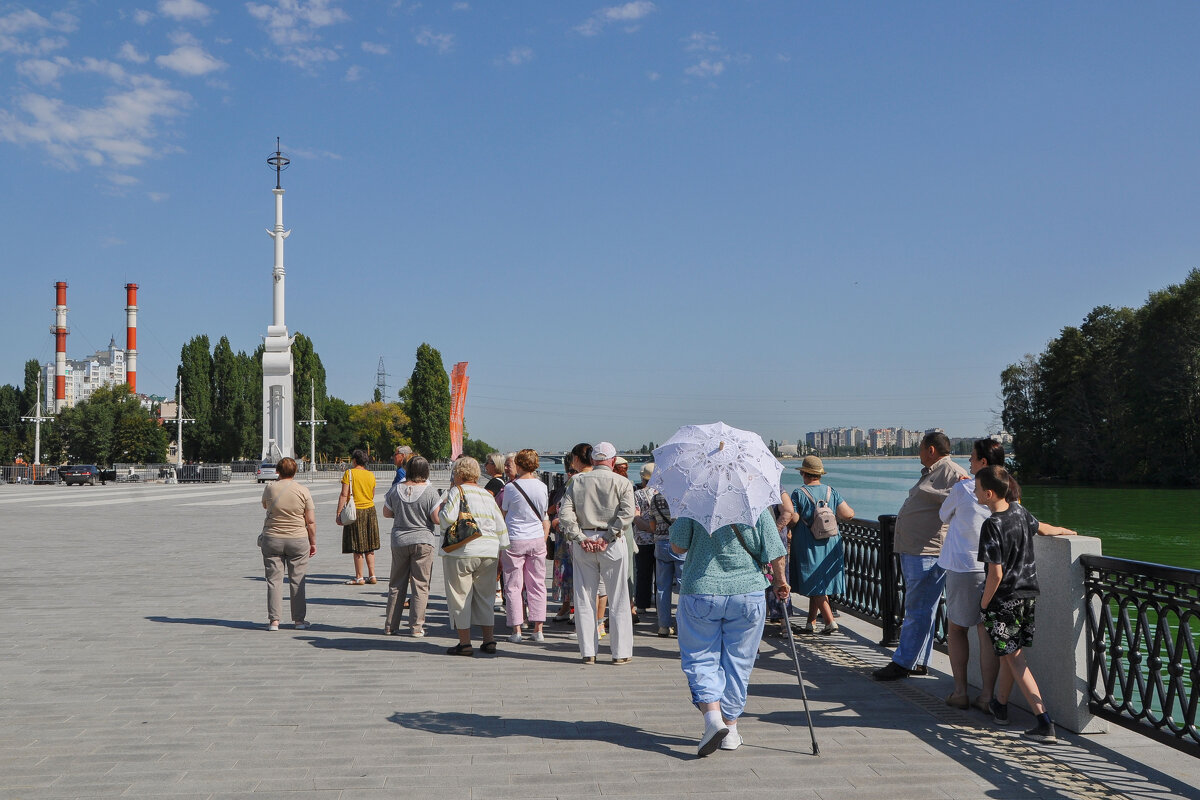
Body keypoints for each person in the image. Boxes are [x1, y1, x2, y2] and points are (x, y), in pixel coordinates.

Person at [671, 507, 789, 755]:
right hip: (748, 592)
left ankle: (713, 718)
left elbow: (677, 546)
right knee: (739, 661)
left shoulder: (696, 501)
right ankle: (731, 730)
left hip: (701, 589)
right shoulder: (755, 505)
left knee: (700, 657)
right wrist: (780, 581)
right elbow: (776, 550)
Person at [873, 432, 967, 681]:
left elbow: (968, 502)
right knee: (923, 609)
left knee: (917, 610)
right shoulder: (933, 471)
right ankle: (918, 661)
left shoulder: (952, 472)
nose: (919, 452)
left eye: (921, 448)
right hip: (916, 549)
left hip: (928, 552)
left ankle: (902, 663)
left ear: (931, 450)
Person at [975, 465, 1058, 742]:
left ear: (988, 494)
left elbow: (995, 574)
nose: (974, 492)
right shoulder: (1020, 511)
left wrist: (984, 605)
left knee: (1015, 658)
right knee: (1010, 653)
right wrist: (1065, 531)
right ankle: (1000, 706)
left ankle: (1044, 721)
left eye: (977, 489)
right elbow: (1042, 528)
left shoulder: (991, 525)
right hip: (1026, 596)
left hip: (1004, 600)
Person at [558, 441, 636, 664]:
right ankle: (620, 653)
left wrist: (580, 537)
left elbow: (565, 514)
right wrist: (608, 536)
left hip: (584, 540)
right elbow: (627, 514)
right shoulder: (623, 482)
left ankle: (588, 652)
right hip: (611, 542)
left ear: (593, 459)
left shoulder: (577, 481)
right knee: (618, 597)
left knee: (584, 597)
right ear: (613, 461)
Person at [436, 456, 510, 656]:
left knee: (460, 596)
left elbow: (447, 518)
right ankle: (489, 640)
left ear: (459, 473)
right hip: (489, 551)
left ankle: (465, 643)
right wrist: (502, 549)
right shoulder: (487, 494)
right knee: (486, 597)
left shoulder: (457, 491)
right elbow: (500, 524)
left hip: (463, 551)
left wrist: (441, 512)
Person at [790, 455, 855, 635]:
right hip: (830, 542)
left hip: (808, 543)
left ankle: (829, 621)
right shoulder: (831, 491)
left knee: (813, 580)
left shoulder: (798, 493)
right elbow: (848, 514)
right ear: (819, 474)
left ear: (803, 473)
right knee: (818, 581)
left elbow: (794, 519)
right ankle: (810, 623)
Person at [381, 456, 439, 637]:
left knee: (396, 584)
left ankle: (391, 625)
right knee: (420, 585)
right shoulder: (430, 492)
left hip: (400, 540)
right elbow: (436, 519)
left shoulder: (396, 489)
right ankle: (416, 627)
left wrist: (400, 514)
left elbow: (386, 512)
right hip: (423, 540)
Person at [499, 449, 550, 643]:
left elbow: (504, 512)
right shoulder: (542, 486)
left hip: (515, 538)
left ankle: (517, 629)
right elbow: (543, 512)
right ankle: (538, 629)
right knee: (537, 584)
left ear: (518, 464)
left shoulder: (511, 487)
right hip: (537, 538)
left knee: (513, 585)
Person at [259, 457, 316, 631]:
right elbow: (310, 521)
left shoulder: (270, 488)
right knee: (297, 580)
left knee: (274, 581)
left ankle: (274, 621)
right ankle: (299, 621)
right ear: (295, 471)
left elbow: (265, 506)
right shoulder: (303, 490)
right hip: (298, 538)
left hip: (272, 538)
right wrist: (313, 542)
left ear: (277, 471)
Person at [337, 449, 380, 585]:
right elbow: (372, 494)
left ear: (354, 460)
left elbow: (344, 494)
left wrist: (339, 513)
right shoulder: (371, 475)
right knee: (370, 544)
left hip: (356, 511)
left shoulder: (349, 473)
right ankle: (372, 575)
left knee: (357, 545)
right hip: (370, 511)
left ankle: (359, 577)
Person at [766, 488, 800, 631]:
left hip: (758, 539)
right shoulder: (775, 486)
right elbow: (789, 512)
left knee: (764, 577)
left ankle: (762, 618)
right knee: (780, 577)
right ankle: (783, 621)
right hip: (776, 539)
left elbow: (788, 512)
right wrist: (774, 530)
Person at [632, 463, 659, 617]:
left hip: (643, 539)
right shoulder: (663, 493)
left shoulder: (638, 494)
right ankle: (660, 604)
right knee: (661, 574)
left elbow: (636, 517)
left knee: (643, 572)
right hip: (661, 538)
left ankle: (642, 604)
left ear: (642, 477)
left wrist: (648, 528)